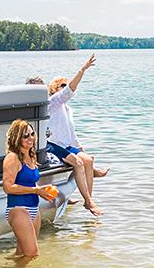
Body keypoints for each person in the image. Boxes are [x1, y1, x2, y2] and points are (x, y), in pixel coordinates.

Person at [29, 55, 109, 216]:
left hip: (66, 144)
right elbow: (71, 88)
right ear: (54, 89)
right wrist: (82, 70)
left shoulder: (66, 109)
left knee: (88, 159)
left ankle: (87, 196)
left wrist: (81, 150)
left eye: (65, 84)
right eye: (62, 85)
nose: (65, 87)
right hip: (54, 144)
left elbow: (71, 134)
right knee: (78, 163)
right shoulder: (52, 102)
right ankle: (88, 200)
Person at [1, 119, 57, 260]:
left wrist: (42, 191)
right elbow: (7, 187)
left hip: (33, 209)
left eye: (32, 134)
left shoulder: (31, 155)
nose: (30, 138)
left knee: (21, 253)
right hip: (18, 209)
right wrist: (36, 191)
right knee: (32, 253)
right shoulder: (12, 158)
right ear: (16, 138)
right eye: (25, 136)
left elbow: (31, 184)